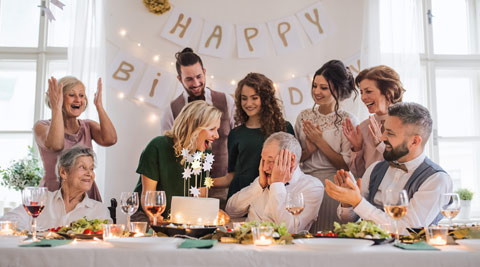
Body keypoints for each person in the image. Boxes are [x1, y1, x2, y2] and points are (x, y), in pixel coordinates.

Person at [325, 102, 453, 233]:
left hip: (408, 252)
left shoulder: (436, 179)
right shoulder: (375, 168)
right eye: (384, 130)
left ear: (415, 141)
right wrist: (347, 202)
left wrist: (358, 202)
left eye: (390, 133)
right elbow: (348, 220)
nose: (382, 137)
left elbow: (408, 230)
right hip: (367, 248)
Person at [160, 47, 235, 207]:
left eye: (199, 76)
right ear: (179, 79)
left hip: (222, 189)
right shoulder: (171, 110)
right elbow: (168, 152)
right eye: (189, 79)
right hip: (185, 189)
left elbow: (237, 142)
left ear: (205, 72)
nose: (196, 83)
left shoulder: (226, 101)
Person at [132, 101, 222, 223]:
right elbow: (147, 195)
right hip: (147, 215)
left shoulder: (204, 155)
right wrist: (154, 216)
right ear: (194, 127)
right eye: (212, 129)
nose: (216, 135)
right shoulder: (158, 146)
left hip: (182, 219)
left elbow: (200, 198)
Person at [294, 60, 358, 232]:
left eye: (323, 88)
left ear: (337, 89)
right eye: (315, 86)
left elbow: (345, 165)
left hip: (334, 185)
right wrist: (309, 149)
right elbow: (296, 160)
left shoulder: (347, 120)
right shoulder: (303, 117)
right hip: (305, 185)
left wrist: (320, 142)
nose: (316, 91)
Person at [34, 76, 117, 202]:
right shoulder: (42, 126)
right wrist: (56, 108)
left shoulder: (88, 126)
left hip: (85, 193)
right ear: (58, 98)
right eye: (72, 95)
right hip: (52, 194)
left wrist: (99, 106)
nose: (78, 100)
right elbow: (56, 145)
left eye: (82, 95)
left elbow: (110, 139)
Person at [213, 73, 295, 199]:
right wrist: (202, 182)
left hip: (271, 195)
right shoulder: (235, 134)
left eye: (254, 98)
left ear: (266, 99)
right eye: (244, 98)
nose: (248, 103)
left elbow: (292, 168)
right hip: (240, 197)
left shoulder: (283, 128)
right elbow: (232, 176)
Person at [226, 132, 324, 233]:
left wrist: (277, 184)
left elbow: (289, 229)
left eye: (271, 161)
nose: (264, 167)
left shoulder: (312, 187)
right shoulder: (262, 180)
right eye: (263, 160)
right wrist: (258, 186)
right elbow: (231, 211)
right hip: (246, 244)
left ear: (291, 160)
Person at [1, 147, 111, 231]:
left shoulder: (99, 210)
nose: (89, 173)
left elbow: (107, 241)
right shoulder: (42, 200)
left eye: (91, 169)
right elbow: (8, 220)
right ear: (63, 172)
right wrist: (37, 233)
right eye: (82, 167)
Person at [343, 65, 405, 178]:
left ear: (388, 92)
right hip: (370, 193)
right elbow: (360, 174)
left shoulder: (407, 124)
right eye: (361, 92)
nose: (363, 97)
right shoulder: (363, 127)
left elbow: (404, 167)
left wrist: (380, 145)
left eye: (368, 91)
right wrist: (357, 148)